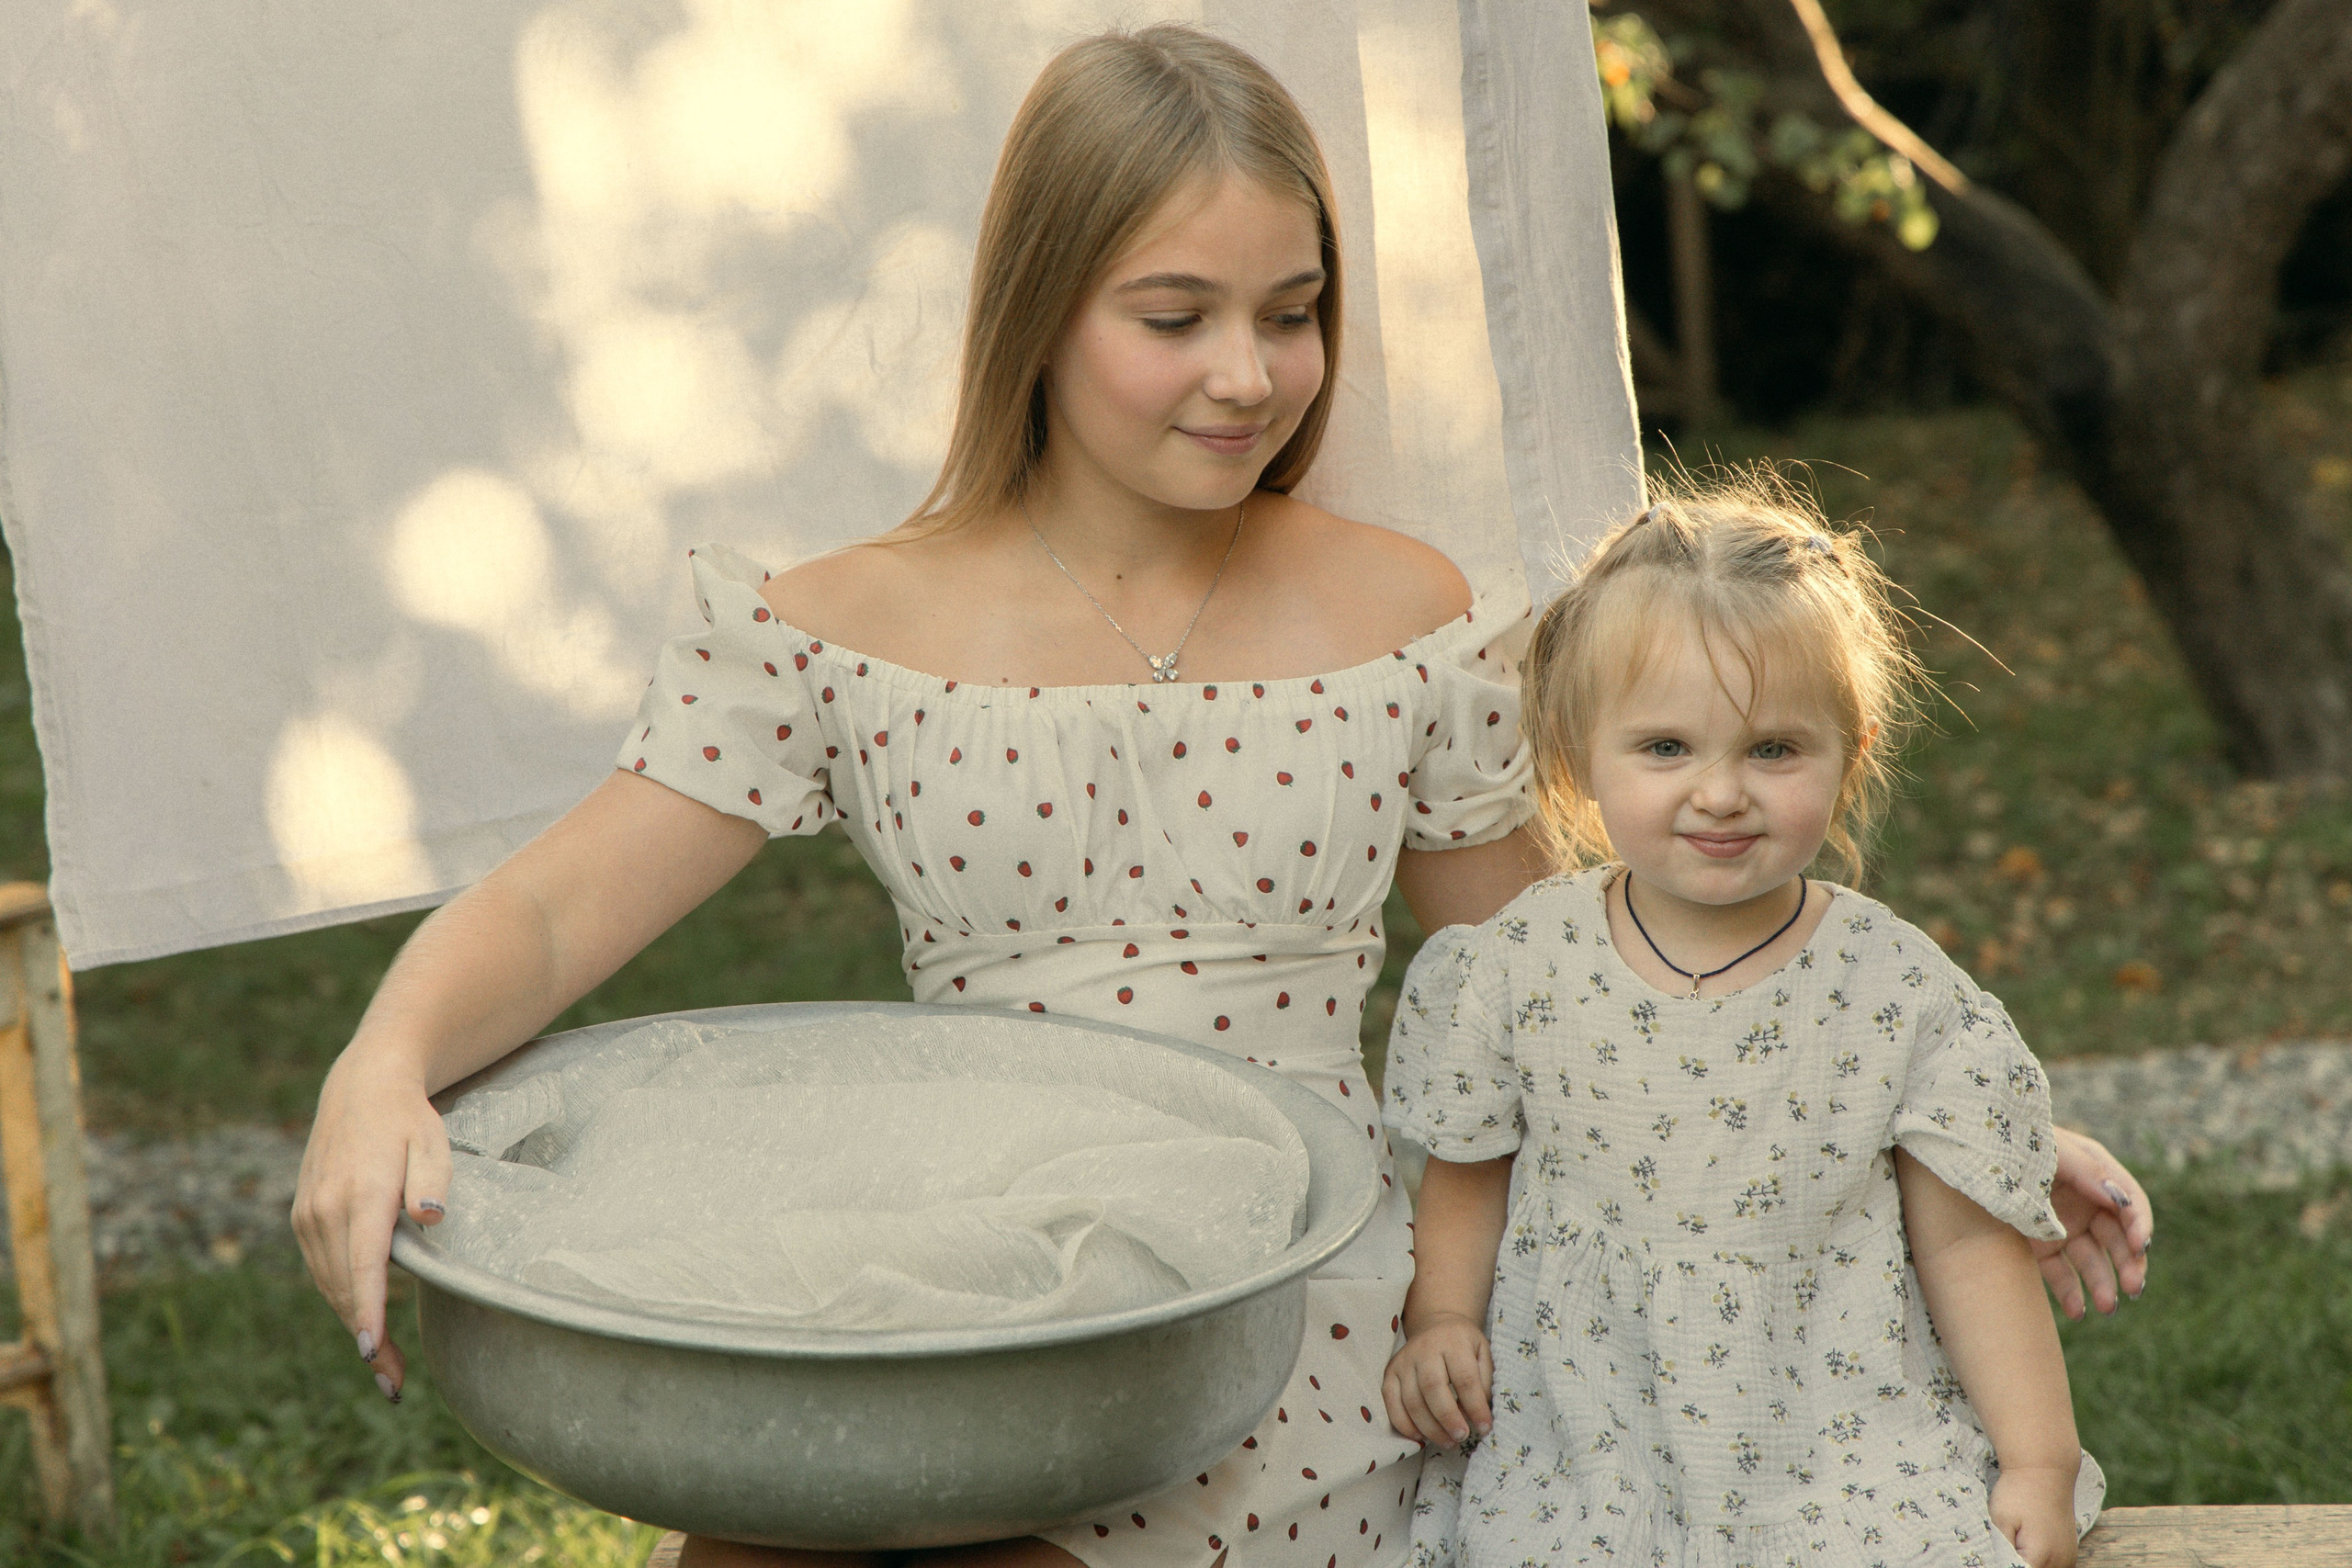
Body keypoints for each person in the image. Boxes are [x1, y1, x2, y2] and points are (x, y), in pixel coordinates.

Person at [292, 25, 2147, 1568]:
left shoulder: (1401, 613)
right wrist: (384, 1059)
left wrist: (1913, 1118)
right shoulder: (836, 628)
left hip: (1306, 1295)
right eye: (1171, 316)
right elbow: (548, 908)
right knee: (780, 1523)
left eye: (1290, 310)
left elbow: (1558, 973)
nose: (1247, 374)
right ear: (1039, 305)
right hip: (983, 1289)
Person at [1379, 476, 2120, 1568]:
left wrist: (2037, 1465)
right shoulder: (1523, 961)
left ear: (1851, 751)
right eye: (1667, 749)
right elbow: (1469, 1163)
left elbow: (1966, 1245)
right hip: (1593, 1425)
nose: (1720, 794)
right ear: (1579, 752)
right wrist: (1442, 1318)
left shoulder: (1891, 988)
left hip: (1827, 1424)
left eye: (1772, 750)